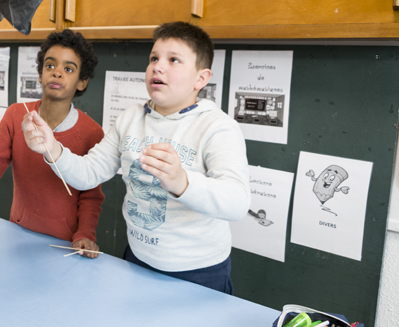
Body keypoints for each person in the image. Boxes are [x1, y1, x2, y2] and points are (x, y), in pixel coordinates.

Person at [22, 22, 250, 293]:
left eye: (173, 60)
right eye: (154, 58)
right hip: (137, 259)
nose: (158, 66)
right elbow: (90, 172)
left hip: (198, 272)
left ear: (201, 78)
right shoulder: (131, 117)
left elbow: (237, 202)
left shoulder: (217, 127)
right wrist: (53, 148)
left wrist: (182, 182)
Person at [0, 29, 105, 257]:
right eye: (50, 65)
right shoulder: (17, 115)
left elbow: (91, 195)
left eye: (68, 69)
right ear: (39, 74)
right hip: (17, 236)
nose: (57, 73)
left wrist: (85, 234)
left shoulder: (91, 132)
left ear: (82, 82)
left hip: (65, 246)